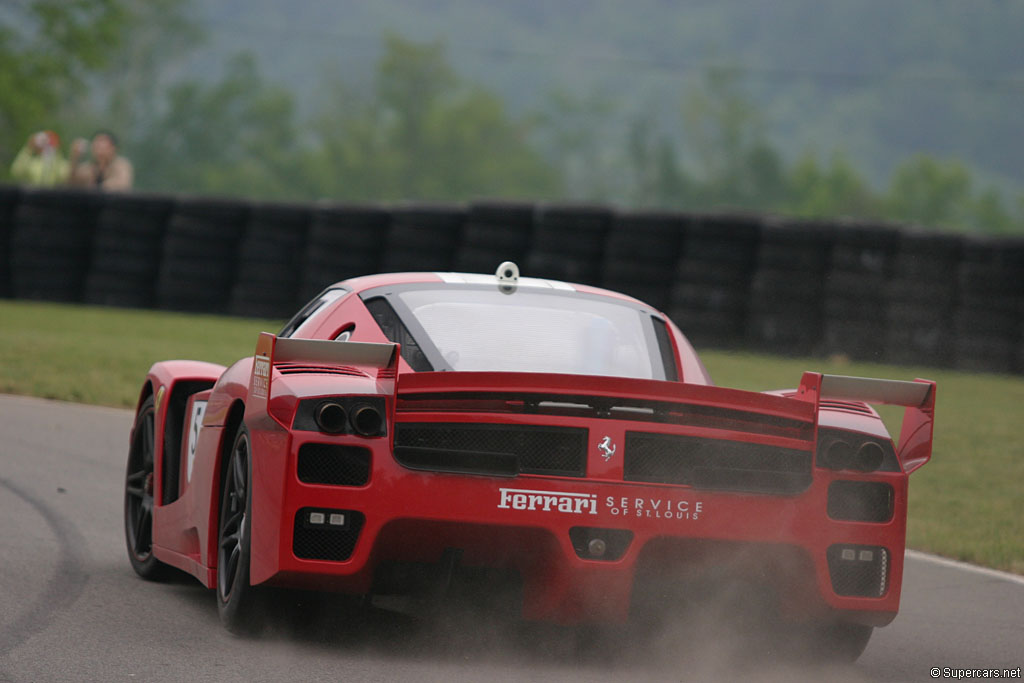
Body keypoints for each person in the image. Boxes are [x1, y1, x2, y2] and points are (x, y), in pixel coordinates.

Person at [69, 130, 133, 191]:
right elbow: (72, 183)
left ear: (113, 148)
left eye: (102, 141)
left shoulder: (121, 165)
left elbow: (122, 183)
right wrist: (75, 158)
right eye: (96, 142)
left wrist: (97, 189)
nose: (98, 145)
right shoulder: (89, 168)